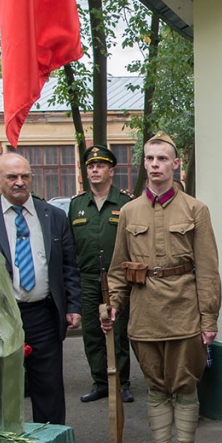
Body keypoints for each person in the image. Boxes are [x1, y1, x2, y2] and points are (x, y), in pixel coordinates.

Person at [103, 132, 221, 443]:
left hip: (185, 312)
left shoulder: (195, 210)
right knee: (156, 388)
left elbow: (208, 268)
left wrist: (209, 319)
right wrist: (113, 305)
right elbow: (118, 268)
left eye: (162, 159)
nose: (155, 165)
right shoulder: (128, 212)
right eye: (150, 159)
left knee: (184, 386)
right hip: (144, 314)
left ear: (175, 164)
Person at [0, 152, 82, 425]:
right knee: (0, 387)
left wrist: (73, 305)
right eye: (12, 177)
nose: (19, 182)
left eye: (25, 176)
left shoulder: (53, 216)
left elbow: (68, 265)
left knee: (48, 387)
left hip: (44, 315)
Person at [69, 145, 134, 405]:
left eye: (100, 165)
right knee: (93, 333)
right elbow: (70, 245)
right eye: (90, 166)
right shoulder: (76, 205)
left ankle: (122, 382)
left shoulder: (125, 203)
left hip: (116, 278)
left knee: (118, 331)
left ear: (111, 171)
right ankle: (100, 382)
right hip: (87, 278)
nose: (94, 170)